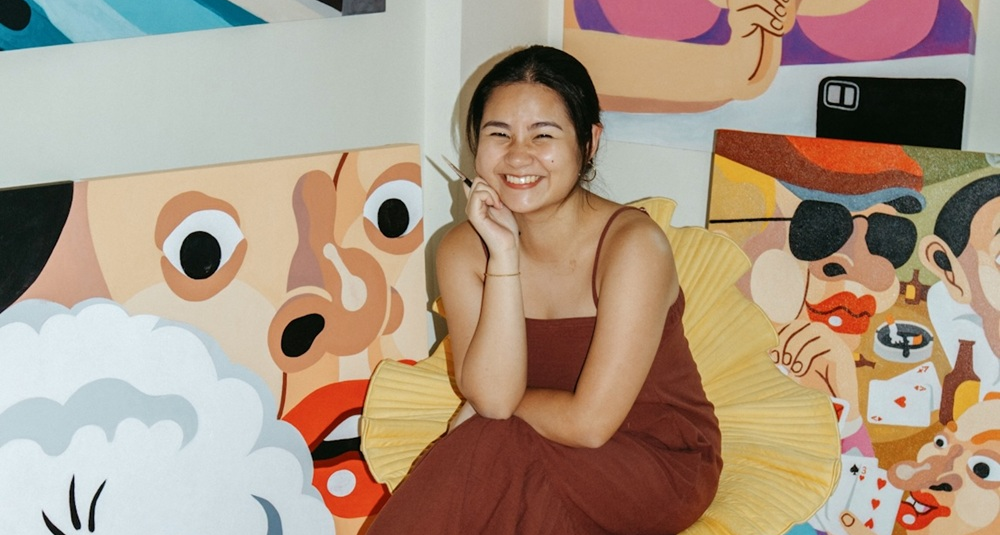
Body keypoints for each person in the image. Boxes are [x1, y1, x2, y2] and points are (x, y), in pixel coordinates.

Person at [367, 45, 722, 534]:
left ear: (589, 141)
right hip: (533, 444)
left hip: (652, 459)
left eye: (543, 135)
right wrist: (504, 256)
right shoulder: (464, 251)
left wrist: (483, 411)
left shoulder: (634, 246)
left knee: (488, 445)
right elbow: (494, 401)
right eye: (499, 134)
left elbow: (589, 425)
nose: (518, 155)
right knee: (499, 458)